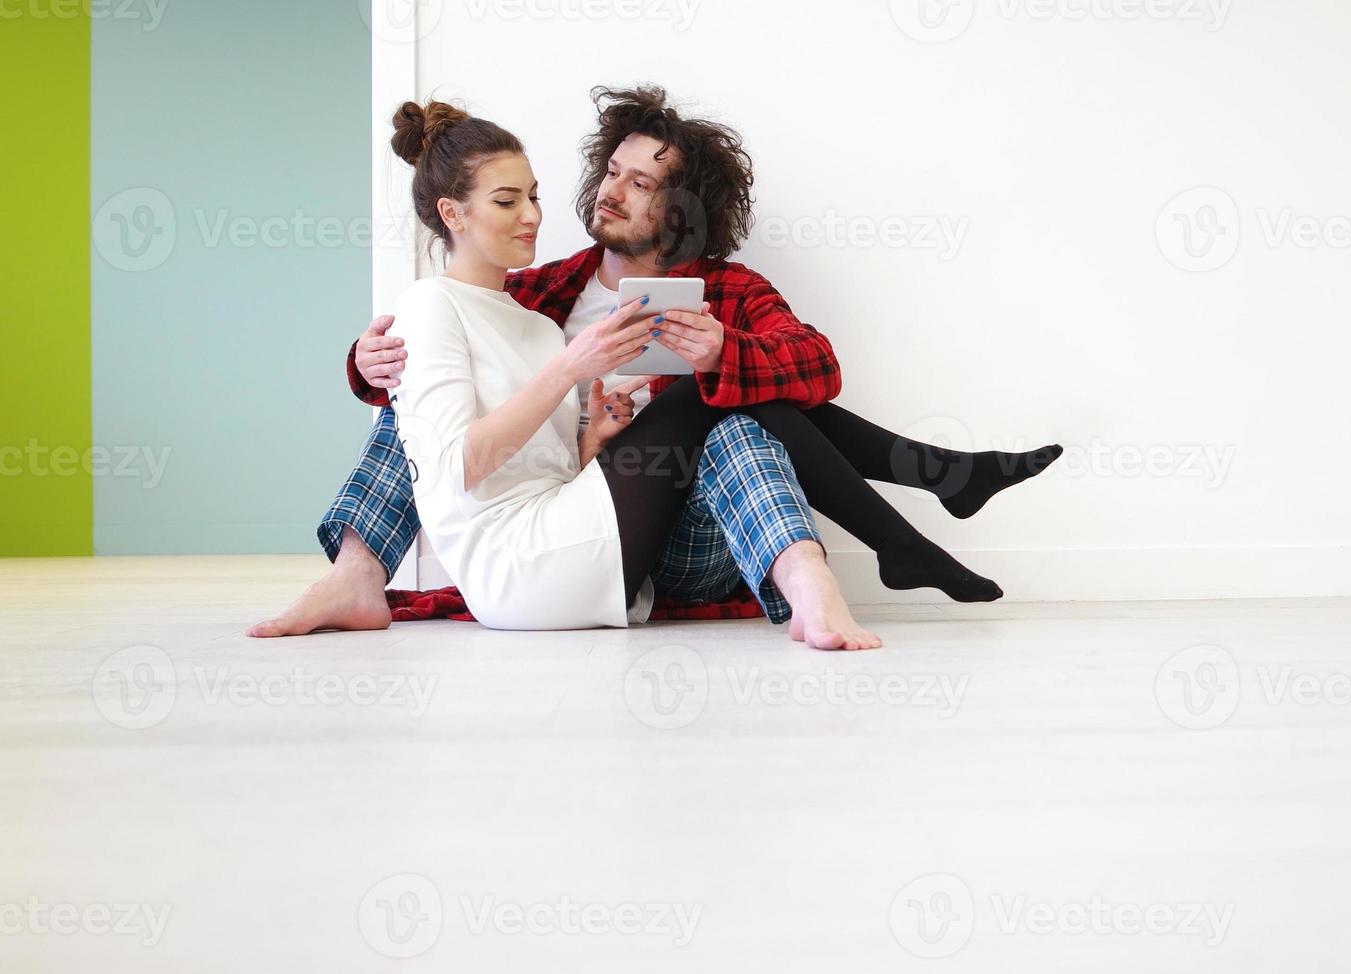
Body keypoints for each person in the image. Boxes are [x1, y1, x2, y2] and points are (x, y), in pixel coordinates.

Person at [249, 87, 1062, 643]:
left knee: (734, 405)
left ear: (680, 209)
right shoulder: (534, 293)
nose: (612, 191)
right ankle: (358, 571)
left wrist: (723, 355)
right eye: (612, 171)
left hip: (692, 531)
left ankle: (873, 539)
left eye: (642, 184)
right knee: (420, 395)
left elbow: (816, 365)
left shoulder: (727, 289)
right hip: (578, 520)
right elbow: (443, 381)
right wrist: (367, 361)